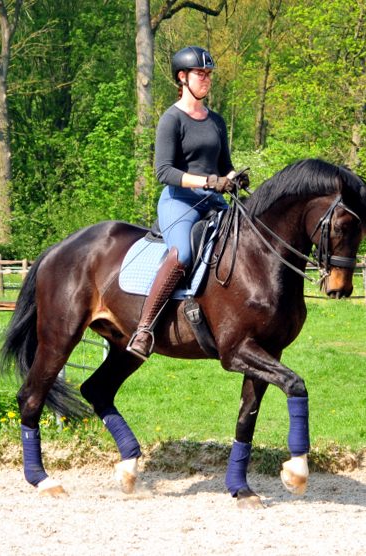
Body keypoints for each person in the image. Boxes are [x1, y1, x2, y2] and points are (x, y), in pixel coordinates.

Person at [127, 46, 249, 360]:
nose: (207, 80)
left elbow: (224, 165)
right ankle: (144, 328)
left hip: (214, 203)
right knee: (182, 253)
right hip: (179, 202)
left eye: (209, 75)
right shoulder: (171, 119)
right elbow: (163, 171)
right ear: (182, 77)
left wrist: (234, 177)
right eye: (200, 74)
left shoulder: (217, 121)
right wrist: (209, 181)